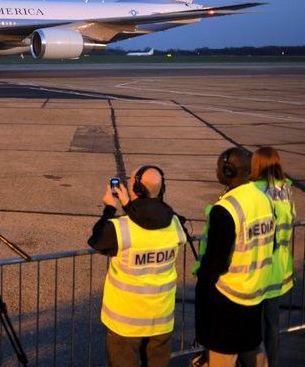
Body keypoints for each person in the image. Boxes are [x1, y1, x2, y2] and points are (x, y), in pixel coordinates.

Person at [88, 165, 186, 367]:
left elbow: (96, 239)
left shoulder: (121, 228)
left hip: (126, 322)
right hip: (161, 318)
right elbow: (152, 219)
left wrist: (109, 208)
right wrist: (129, 205)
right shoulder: (175, 223)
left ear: (137, 191)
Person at [194, 147, 275, 367]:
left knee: (223, 358)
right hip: (256, 293)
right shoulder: (264, 199)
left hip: (229, 298)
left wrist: (202, 281)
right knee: (254, 352)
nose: (216, 170)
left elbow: (215, 262)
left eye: (219, 166)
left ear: (229, 171)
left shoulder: (226, 209)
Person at [251, 147, 295, 367]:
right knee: (272, 325)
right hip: (280, 267)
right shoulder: (286, 189)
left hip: (260, 268)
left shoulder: (256, 190)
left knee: (253, 327)